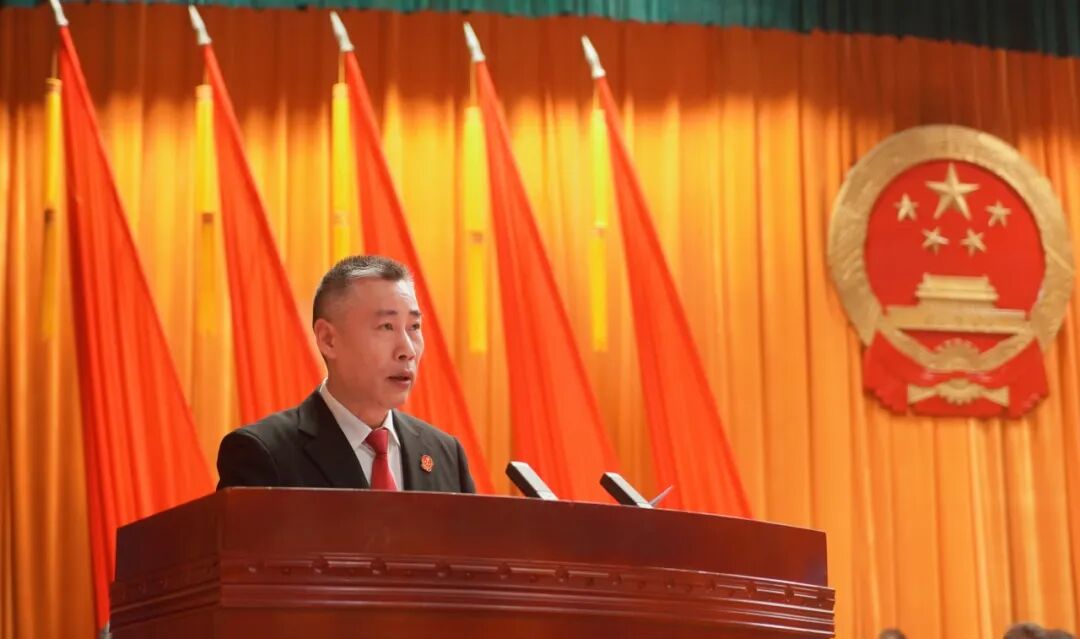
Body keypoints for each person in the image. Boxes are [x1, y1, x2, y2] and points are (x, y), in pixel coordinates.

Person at [216, 254, 475, 493]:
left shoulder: (445, 455)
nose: (407, 350)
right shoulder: (263, 453)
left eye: (414, 327)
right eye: (386, 326)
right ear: (328, 339)